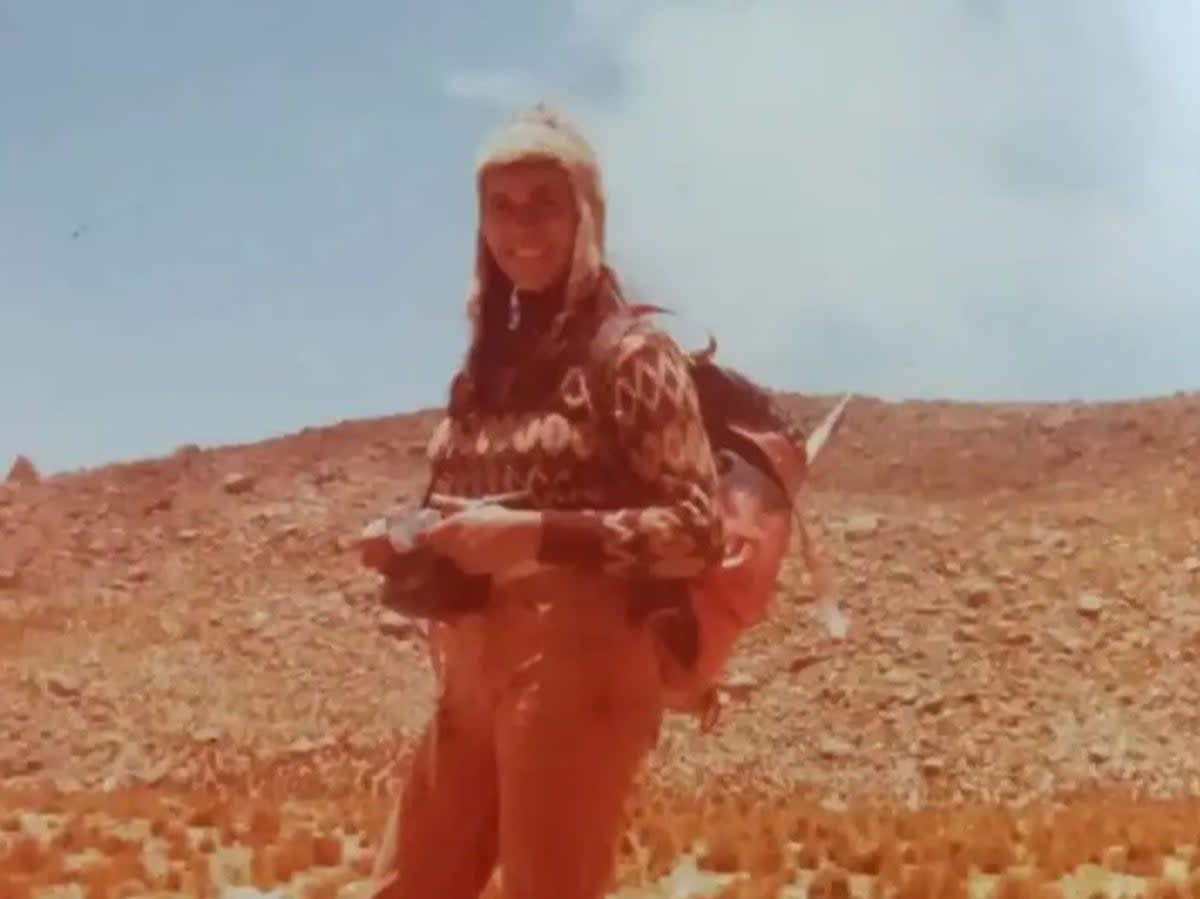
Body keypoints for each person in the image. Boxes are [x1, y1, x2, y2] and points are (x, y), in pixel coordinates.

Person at [365, 104, 726, 899]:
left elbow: (698, 530)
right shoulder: (484, 366)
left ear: (586, 215)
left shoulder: (633, 355)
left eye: (544, 204)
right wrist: (408, 539)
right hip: (471, 671)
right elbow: (464, 506)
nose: (520, 227)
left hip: (581, 671)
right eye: (501, 206)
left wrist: (536, 535)